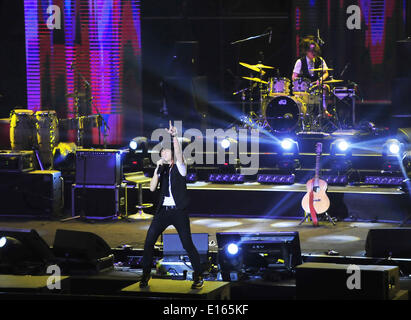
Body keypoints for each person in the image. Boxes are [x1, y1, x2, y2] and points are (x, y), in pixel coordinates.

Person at [139, 121, 204, 289]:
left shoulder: (181, 167)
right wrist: (156, 170)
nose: (163, 152)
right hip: (162, 212)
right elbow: (152, 188)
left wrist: (174, 137)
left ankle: (198, 275)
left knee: (187, 244)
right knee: (148, 242)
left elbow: (179, 154)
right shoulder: (162, 169)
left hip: (178, 212)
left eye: (166, 150)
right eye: (161, 151)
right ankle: (145, 274)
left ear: (172, 154)